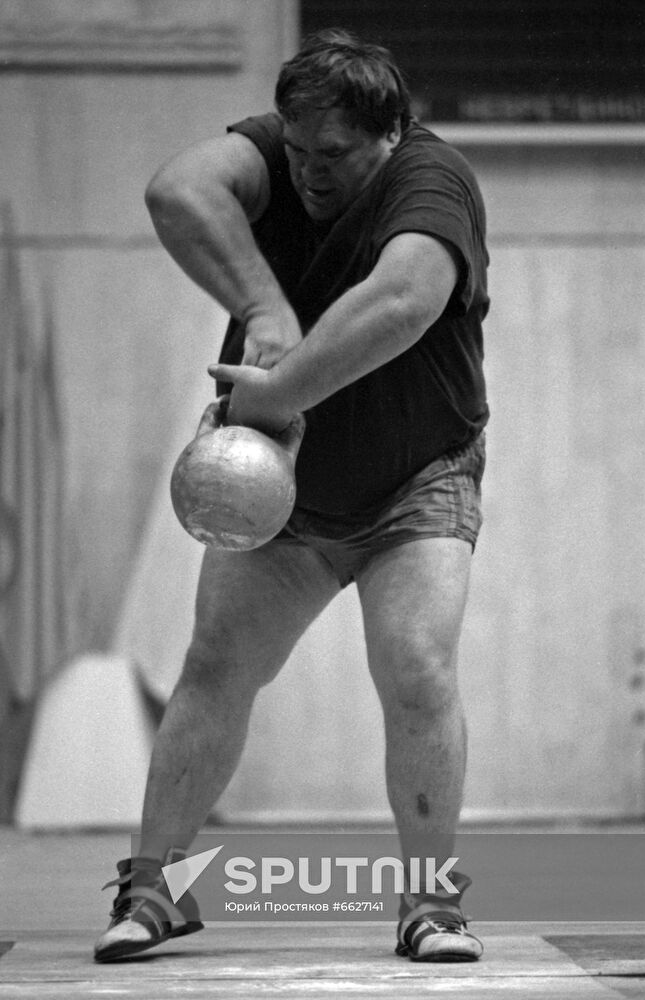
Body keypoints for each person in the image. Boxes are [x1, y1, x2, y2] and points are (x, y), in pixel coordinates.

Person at [94, 28, 489, 964]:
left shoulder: (431, 179)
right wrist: (263, 308)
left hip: (416, 478)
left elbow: (402, 300)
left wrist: (277, 391)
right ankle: (156, 891)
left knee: (416, 667)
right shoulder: (277, 153)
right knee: (216, 665)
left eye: (334, 155)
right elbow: (176, 190)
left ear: (389, 134)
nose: (309, 171)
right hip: (282, 489)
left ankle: (430, 906)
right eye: (299, 149)